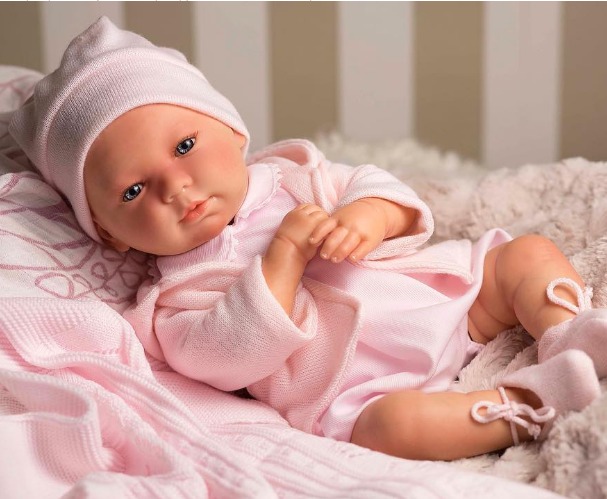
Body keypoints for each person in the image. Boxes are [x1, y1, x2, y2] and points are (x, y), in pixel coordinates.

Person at [9, 17, 604, 461]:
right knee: (391, 431)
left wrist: (372, 214)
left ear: (232, 131)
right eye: (133, 190)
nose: (175, 186)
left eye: (185, 146)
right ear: (107, 233)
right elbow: (224, 358)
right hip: (362, 389)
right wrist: (284, 257)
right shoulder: (173, 299)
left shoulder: (297, 175)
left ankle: (569, 331)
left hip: (448, 304)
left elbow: (379, 187)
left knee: (523, 255)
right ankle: (529, 404)